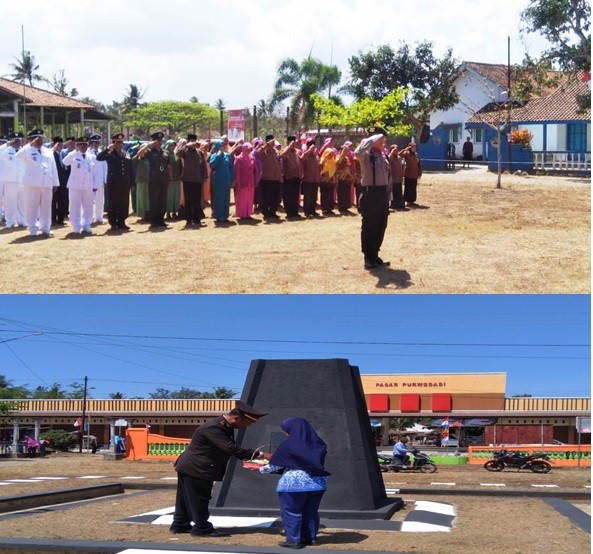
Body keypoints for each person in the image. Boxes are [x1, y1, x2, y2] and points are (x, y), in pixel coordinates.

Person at [171, 401, 270, 538]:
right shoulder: (214, 427)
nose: (248, 426)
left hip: (192, 465)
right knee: (199, 498)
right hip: (197, 467)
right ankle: (202, 528)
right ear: (237, 418)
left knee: (186, 498)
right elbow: (230, 448)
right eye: (248, 422)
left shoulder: (223, 425)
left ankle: (180, 524)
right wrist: (261, 454)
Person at [255, 417, 330, 550]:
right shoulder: (319, 444)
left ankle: (294, 540)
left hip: (293, 484)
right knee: (311, 512)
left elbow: (275, 465)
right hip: (317, 483)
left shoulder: (288, 444)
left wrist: (258, 468)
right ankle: (311, 538)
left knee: (291, 512)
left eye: (286, 430)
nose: (285, 433)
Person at [354, 133, 391, 270]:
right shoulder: (366, 155)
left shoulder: (382, 155)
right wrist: (370, 140)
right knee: (370, 225)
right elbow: (357, 152)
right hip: (371, 193)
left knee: (381, 225)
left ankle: (375, 254)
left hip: (382, 193)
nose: (383, 141)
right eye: (380, 139)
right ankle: (368, 257)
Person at [15, 129, 60, 237]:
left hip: (47, 183)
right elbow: (18, 156)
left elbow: (53, 167)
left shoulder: (48, 151)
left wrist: (55, 183)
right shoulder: (27, 150)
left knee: (46, 207)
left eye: (41, 138)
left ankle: (46, 228)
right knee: (32, 207)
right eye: (37, 139)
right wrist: (29, 144)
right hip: (32, 184)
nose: (39, 141)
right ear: (31, 139)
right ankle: (33, 228)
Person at [96, 133, 133, 231]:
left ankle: (122, 222)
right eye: (118, 142)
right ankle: (113, 223)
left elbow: (130, 169)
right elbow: (99, 158)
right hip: (114, 183)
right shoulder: (109, 154)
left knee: (124, 203)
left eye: (121, 142)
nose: (120, 144)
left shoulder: (126, 154)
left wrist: (132, 182)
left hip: (125, 183)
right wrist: (108, 148)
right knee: (113, 204)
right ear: (113, 143)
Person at [136, 132, 170, 228]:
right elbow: (139, 154)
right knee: (154, 200)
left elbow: (168, 166)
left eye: (160, 140)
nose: (159, 142)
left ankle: (161, 219)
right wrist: (148, 145)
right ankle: (154, 221)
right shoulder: (150, 152)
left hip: (163, 179)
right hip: (154, 180)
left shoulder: (165, 152)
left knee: (163, 201)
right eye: (157, 141)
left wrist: (169, 178)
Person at [63, 137, 96, 235]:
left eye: (85, 145)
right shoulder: (73, 155)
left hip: (88, 185)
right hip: (75, 185)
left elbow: (94, 172)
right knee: (75, 206)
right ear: (77, 146)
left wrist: (94, 184)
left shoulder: (91, 156)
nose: (83, 147)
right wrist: (74, 152)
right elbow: (65, 162)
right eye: (81, 145)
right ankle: (76, 225)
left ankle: (87, 224)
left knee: (88, 206)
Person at [176, 133, 207, 226]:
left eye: (194, 141)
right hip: (187, 179)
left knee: (197, 201)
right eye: (191, 142)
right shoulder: (185, 151)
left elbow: (203, 165)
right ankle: (189, 219)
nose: (193, 144)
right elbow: (177, 154)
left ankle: (197, 219)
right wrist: (186, 145)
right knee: (188, 201)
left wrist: (204, 177)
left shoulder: (199, 152)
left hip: (198, 179)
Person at [0, 132, 24, 229]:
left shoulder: (23, 150)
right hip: (10, 180)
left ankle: (22, 220)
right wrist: (8, 144)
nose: (18, 142)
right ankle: (10, 221)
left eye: (19, 140)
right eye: (16, 140)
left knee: (22, 202)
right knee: (10, 202)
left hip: (21, 180)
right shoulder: (5, 151)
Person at [208, 139, 235, 223]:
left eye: (224, 145)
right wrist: (218, 156)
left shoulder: (228, 155)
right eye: (222, 145)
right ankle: (218, 216)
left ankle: (225, 216)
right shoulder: (214, 155)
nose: (223, 147)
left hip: (226, 180)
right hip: (218, 180)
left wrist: (232, 179)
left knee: (226, 198)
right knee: (218, 198)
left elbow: (231, 168)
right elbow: (212, 165)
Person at [279, 136, 303, 219]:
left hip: (297, 176)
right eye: (292, 142)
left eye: (295, 142)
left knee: (295, 195)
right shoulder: (285, 150)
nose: (294, 144)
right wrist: (289, 148)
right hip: (288, 177)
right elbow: (281, 156)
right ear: (288, 142)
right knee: (288, 195)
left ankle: (295, 212)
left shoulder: (298, 151)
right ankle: (289, 212)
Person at [233, 142, 257, 219]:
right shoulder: (238, 159)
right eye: (247, 149)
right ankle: (242, 214)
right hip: (242, 182)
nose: (249, 151)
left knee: (249, 198)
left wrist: (255, 180)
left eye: (250, 149)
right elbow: (236, 172)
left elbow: (255, 170)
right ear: (243, 149)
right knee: (242, 199)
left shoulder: (252, 158)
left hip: (250, 181)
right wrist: (238, 183)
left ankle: (248, 213)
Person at [51, 136, 70, 225]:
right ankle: (53, 219)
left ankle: (61, 219)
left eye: (62, 144)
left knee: (62, 200)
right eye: (59, 144)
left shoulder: (64, 154)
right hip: (54, 181)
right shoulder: (51, 154)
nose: (61, 146)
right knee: (53, 201)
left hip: (63, 181)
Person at [400, 142, 423, 209]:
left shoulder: (416, 155)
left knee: (413, 188)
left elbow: (419, 164)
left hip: (414, 174)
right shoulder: (407, 154)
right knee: (408, 188)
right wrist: (405, 149)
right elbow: (400, 154)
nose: (414, 148)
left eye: (415, 147)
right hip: (408, 174)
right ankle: (407, 201)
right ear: (410, 148)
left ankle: (412, 201)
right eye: (413, 147)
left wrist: (420, 173)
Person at [388, 145, 405, 211]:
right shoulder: (390, 157)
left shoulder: (399, 158)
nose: (396, 151)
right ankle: (394, 203)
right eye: (394, 150)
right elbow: (389, 166)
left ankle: (399, 203)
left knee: (399, 190)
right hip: (393, 178)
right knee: (394, 191)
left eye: (397, 150)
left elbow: (402, 165)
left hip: (399, 178)